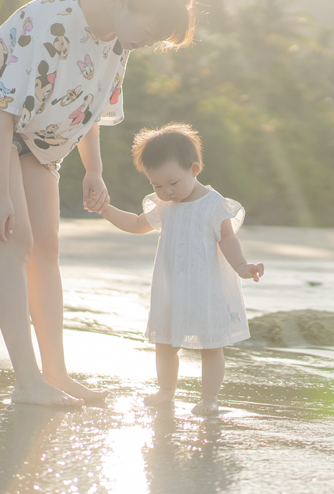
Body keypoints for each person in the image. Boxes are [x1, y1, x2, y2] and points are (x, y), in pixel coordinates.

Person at [0, 0, 195, 406]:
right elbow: (2, 113)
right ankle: (26, 381)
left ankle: (54, 373)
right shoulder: (51, 20)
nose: (148, 41)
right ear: (122, 2)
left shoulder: (120, 41)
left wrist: (94, 170)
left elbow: (90, 111)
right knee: (14, 241)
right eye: (149, 28)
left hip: (40, 138)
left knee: (48, 247)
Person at [96, 123, 264, 415]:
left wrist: (241, 266)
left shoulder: (214, 205)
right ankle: (166, 391)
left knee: (210, 346)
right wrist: (106, 210)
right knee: (165, 343)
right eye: (157, 186)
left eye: (172, 183)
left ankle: (209, 397)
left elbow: (228, 238)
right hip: (171, 288)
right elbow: (137, 224)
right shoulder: (164, 205)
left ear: (194, 169)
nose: (166, 191)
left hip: (205, 289)